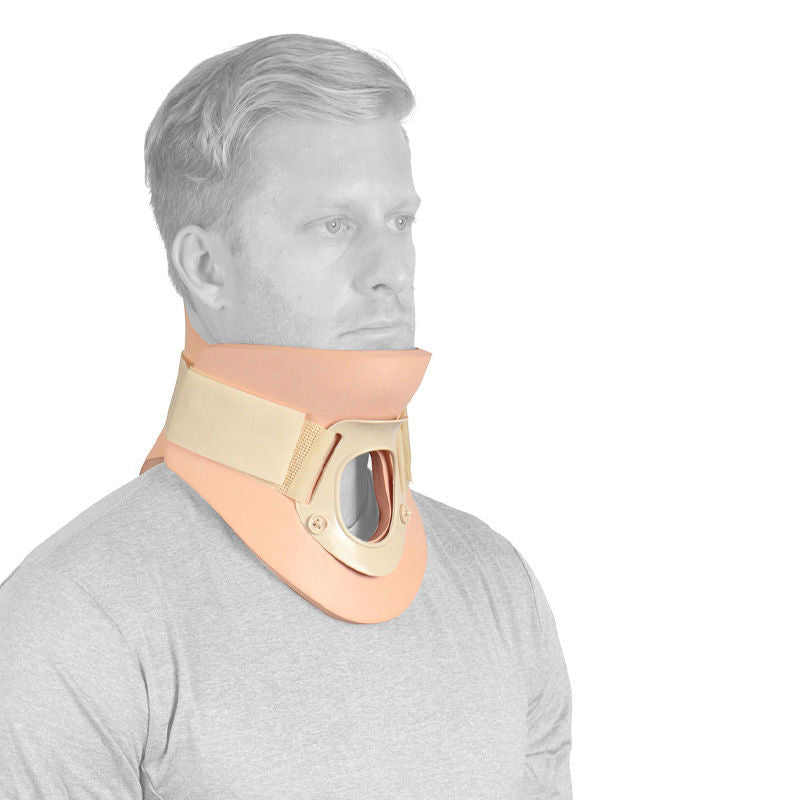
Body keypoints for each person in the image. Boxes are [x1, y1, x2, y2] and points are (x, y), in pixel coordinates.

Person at [0, 33, 573, 798]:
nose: (391, 272)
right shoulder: (76, 619)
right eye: (334, 225)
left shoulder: (500, 588)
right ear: (206, 268)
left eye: (400, 221)